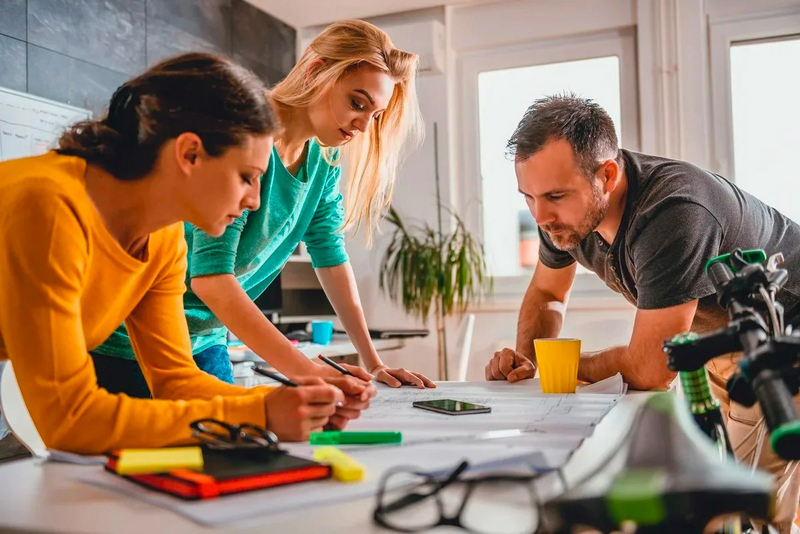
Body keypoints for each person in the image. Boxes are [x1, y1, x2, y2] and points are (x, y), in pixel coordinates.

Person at [0, 53, 369, 455]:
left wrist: (284, 404)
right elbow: (69, 420)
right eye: (247, 177)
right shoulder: (51, 208)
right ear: (190, 153)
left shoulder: (162, 240)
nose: (254, 200)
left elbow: (175, 379)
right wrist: (259, 416)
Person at [483, 94, 800, 532]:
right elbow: (546, 292)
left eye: (554, 196)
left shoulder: (674, 211)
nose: (540, 216)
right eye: (529, 197)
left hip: (784, 344)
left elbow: (652, 368)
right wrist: (530, 359)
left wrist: (566, 363)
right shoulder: (565, 218)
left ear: (607, 175)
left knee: (737, 507)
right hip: (721, 341)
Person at [92, 19, 435, 393]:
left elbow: (330, 255)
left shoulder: (324, 161)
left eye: (376, 115)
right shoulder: (243, 134)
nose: (364, 126)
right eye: (357, 103)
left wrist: (373, 363)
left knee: (233, 444)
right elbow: (211, 279)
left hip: (204, 340)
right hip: (127, 341)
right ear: (316, 71)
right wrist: (307, 370)